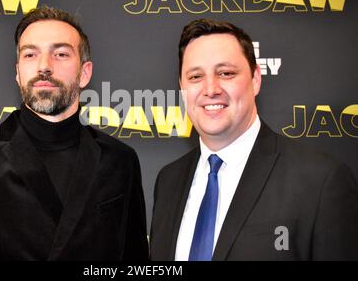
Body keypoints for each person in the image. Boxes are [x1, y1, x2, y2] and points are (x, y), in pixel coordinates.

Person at [0, 6, 149, 260]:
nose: (44, 66)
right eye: (30, 54)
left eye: (61, 54)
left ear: (85, 73)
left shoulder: (120, 161)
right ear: (18, 72)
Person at [150, 19, 358, 260]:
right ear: (182, 87)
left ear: (256, 79)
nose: (210, 88)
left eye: (226, 73)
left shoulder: (321, 181)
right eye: (195, 77)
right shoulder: (168, 181)